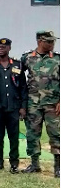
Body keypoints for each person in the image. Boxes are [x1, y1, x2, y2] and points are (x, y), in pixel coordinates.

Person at [20, 30, 60, 178]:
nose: (52, 44)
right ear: (39, 41)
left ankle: (58, 167)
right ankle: (35, 164)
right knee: (32, 134)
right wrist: (22, 103)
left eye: (53, 41)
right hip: (33, 104)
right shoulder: (27, 58)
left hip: (53, 104)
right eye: (49, 41)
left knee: (56, 134)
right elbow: (19, 80)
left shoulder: (57, 59)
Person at [0, 38, 26, 174]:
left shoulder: (17, 65)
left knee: (13, 137)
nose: (0, 49)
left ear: (9, 48)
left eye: (3, 46)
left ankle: (14, 163)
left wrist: (23, 107)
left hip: (13, 107)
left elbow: (23, 87)